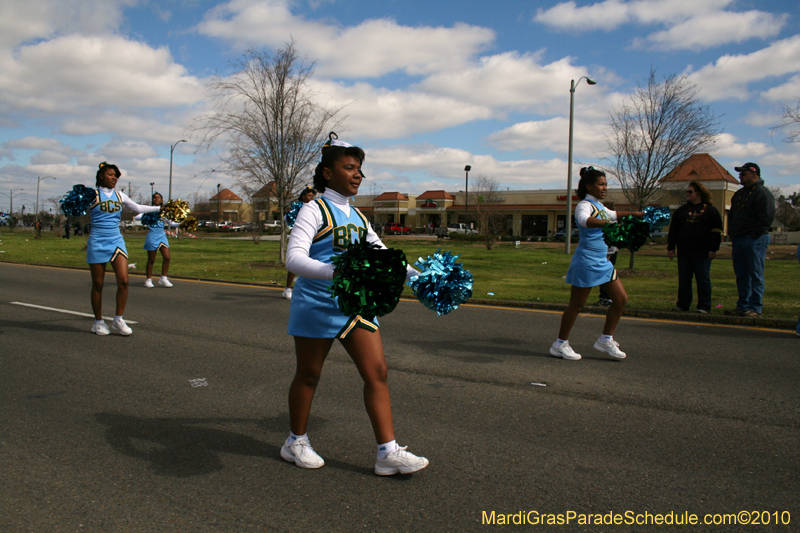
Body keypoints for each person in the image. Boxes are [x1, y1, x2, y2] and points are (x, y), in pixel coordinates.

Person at [282, 136, 428, 475]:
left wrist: (419, 277)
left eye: (359, 169)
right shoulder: (313, 209)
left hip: (355, 305)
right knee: (309, 374)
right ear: (327, 173)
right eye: (349, 168)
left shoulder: (359, 217)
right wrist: (341, 270)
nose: (357, 175)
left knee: (377, 372)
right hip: (316, 304)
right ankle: (295, 441)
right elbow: (294, 260)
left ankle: (387, 452)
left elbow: (383, 257)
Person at [549, 166, 644, 361]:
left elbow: (615, 214)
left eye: (606, 184)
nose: (604, 188)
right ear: (589, 186)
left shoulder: (601, 207)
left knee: (620, 300)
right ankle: (559, 344)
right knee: (577, 306)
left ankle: (605, 340)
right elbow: (584, 221)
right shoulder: (585, 205)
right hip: (586, 262)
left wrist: (638, 214)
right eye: (601, 184)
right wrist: (606, 224)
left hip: (603, 262)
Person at [87, 162, 160, 336]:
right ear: (101, 176)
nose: (114, 178)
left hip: (116, 241)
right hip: (97, 241)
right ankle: (98, 322)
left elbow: (138, 208)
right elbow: (73, 208)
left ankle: (118, 319)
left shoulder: (120, 195)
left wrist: (161, 209)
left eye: (116, 175)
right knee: (98, 284)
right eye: (111, 175)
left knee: (124, 281)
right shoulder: (91, 195)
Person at [724, 163, 775, 317]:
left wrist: (755, 234)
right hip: (739, 239)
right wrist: (733, 233)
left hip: (755, 238)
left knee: (755, 273)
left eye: (744, 174)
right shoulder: (739, 194)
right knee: (741, 274)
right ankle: (742, 305)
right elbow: (732, 215)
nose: (741, 176)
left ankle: (755, 307)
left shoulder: (762, 193)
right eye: (740, 174)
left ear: (754, 174)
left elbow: (766, 216)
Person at [667, 181, 723, 314]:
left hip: (702, 252)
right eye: (687, 191)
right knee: (684, 279)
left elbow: (716, 231)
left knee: (702, 278)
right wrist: (671, 247)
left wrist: (713, 249)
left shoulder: (711, 211)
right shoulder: (682, 211)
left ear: (699, 193)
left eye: (690, 191)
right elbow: (673, 230)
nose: (687, 194)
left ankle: (704, 305)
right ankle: (683, 304)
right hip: (684, 251)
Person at [135, 192, 180, 289]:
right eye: (154, 198)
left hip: (162, 236)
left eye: (158, 197)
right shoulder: (149, 210)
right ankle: (148, 279)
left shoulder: (164, 212)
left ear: (161, 200)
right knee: (151, 259)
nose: (156, 199)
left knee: (167, 257)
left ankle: (163, 278)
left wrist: (182, 222)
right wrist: (149, 215)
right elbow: (137, 216)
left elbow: (172, 223)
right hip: (152, 236)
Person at [282, 186, 316, 300]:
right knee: (295, 262)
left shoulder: (316, 208)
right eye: (309, 195)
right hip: (299, 237)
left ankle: (309, 289)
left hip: (313, 238)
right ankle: (287, 288)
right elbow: (286, 218)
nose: (311, 198)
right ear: (303, 196)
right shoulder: (298, 207)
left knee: (311, 262)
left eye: (313, 196)